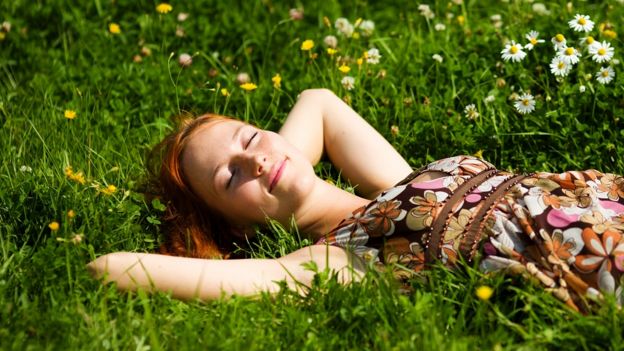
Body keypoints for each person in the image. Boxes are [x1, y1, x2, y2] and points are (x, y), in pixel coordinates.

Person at [88, 89, 624, 312]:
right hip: (583, 249)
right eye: (230, 178)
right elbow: (109, 268)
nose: (253, 160)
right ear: (238, 229)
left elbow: (317, 102)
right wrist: (225, 235)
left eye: (249, 137)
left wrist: (272, 167)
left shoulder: (394, 183)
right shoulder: (335, 260)